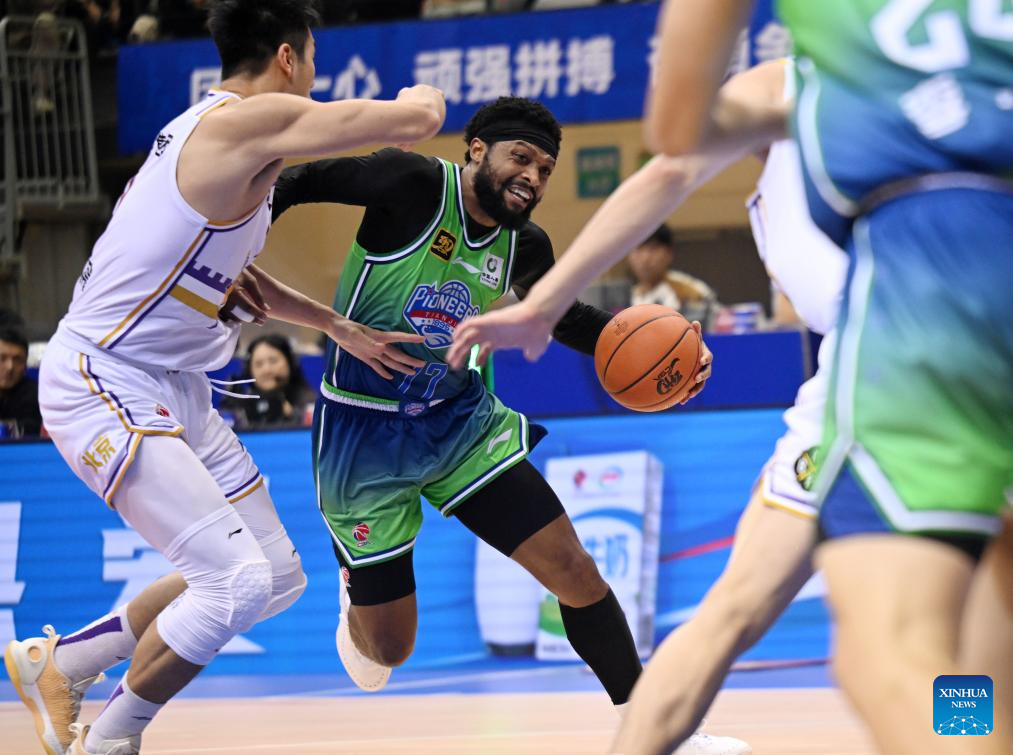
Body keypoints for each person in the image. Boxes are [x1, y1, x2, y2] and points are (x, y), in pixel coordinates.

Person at [2, 1, 446, 753]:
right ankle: (111, 740)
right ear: (286, 58)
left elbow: (235, 279)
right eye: (313, 60)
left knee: (275, 575)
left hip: (172, 383)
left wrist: (338, 327)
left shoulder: (226, 148)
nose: (315, 75)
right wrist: (422, 96)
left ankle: (65, 662)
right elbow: (413, 122)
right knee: (235, 580)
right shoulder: (242, 122)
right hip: (103, 376)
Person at [251, 95, 737, 755]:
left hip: (458, 425)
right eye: (521, 158)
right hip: (362, 437)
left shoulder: (523, 243)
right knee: (386, 652)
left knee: (573, 569)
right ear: (477, 150)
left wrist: (672, 354)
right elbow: (299, 181)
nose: (532, 176)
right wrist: (229, 253)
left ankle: (659, 730)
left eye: (545, 168)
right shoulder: (410, 181)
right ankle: (353, 586)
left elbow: (565, 318)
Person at [642, 3, 1013, 754]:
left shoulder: (812, 75)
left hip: (913, 347)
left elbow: (673, 141)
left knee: (883, 650)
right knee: (967, 627)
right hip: (913, 351)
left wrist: (550, 302)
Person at [627, 223, 717, 328]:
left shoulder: (692, 291)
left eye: (653, 248)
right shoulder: (622, 297)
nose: (645, 258)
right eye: (639, 248)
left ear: (669, 253)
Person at [221, 333, 315, 428]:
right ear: (249, 370)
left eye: (273, 361)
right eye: (259, 364)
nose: (267, 370)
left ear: (290, 362)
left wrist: (294, 415)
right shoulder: (239, 410)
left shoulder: (309, 403)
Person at [0, 326, 43, 437]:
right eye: (2, 358)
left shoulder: (37, 395)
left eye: (17, 360)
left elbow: (31, 428)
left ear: (25, 364)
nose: (10, 367)